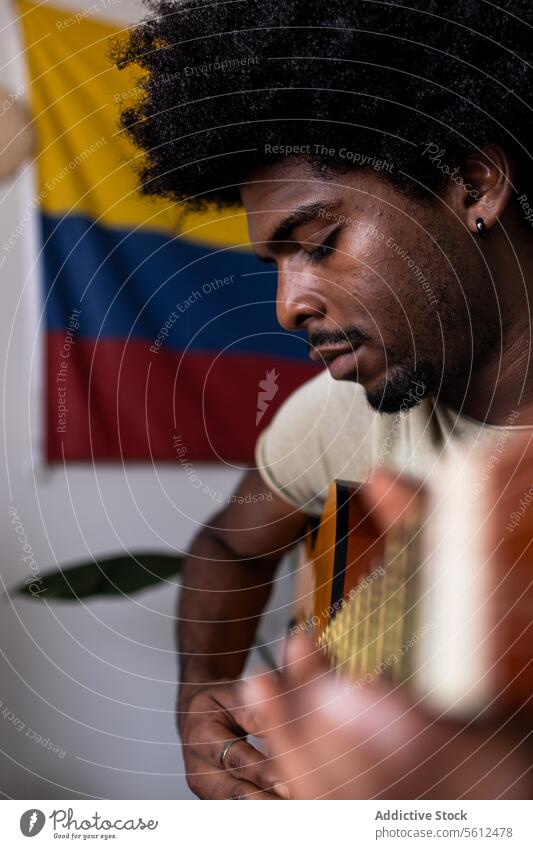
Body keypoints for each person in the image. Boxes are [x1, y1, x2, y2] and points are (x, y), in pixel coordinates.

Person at [116, 0, 533, 799]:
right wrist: (200, 697)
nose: (288, 307)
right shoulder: (342, 409)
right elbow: (229, 549)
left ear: (472, 184)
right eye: (278, 261)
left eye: (317, 243)